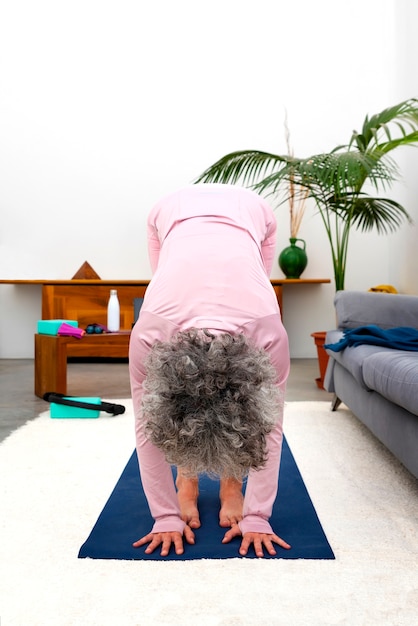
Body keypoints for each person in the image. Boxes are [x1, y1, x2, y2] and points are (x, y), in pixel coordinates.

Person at [129, 183, 291, 558]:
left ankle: (230, 485)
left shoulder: (267, 332)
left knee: (235, 418)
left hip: (253, 218)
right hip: (169, 215)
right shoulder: (150, 335)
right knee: (183, 412)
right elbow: (146, 425)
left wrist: (258, 516)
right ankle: (186, 482)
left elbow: (271, 426)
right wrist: (165, 515)